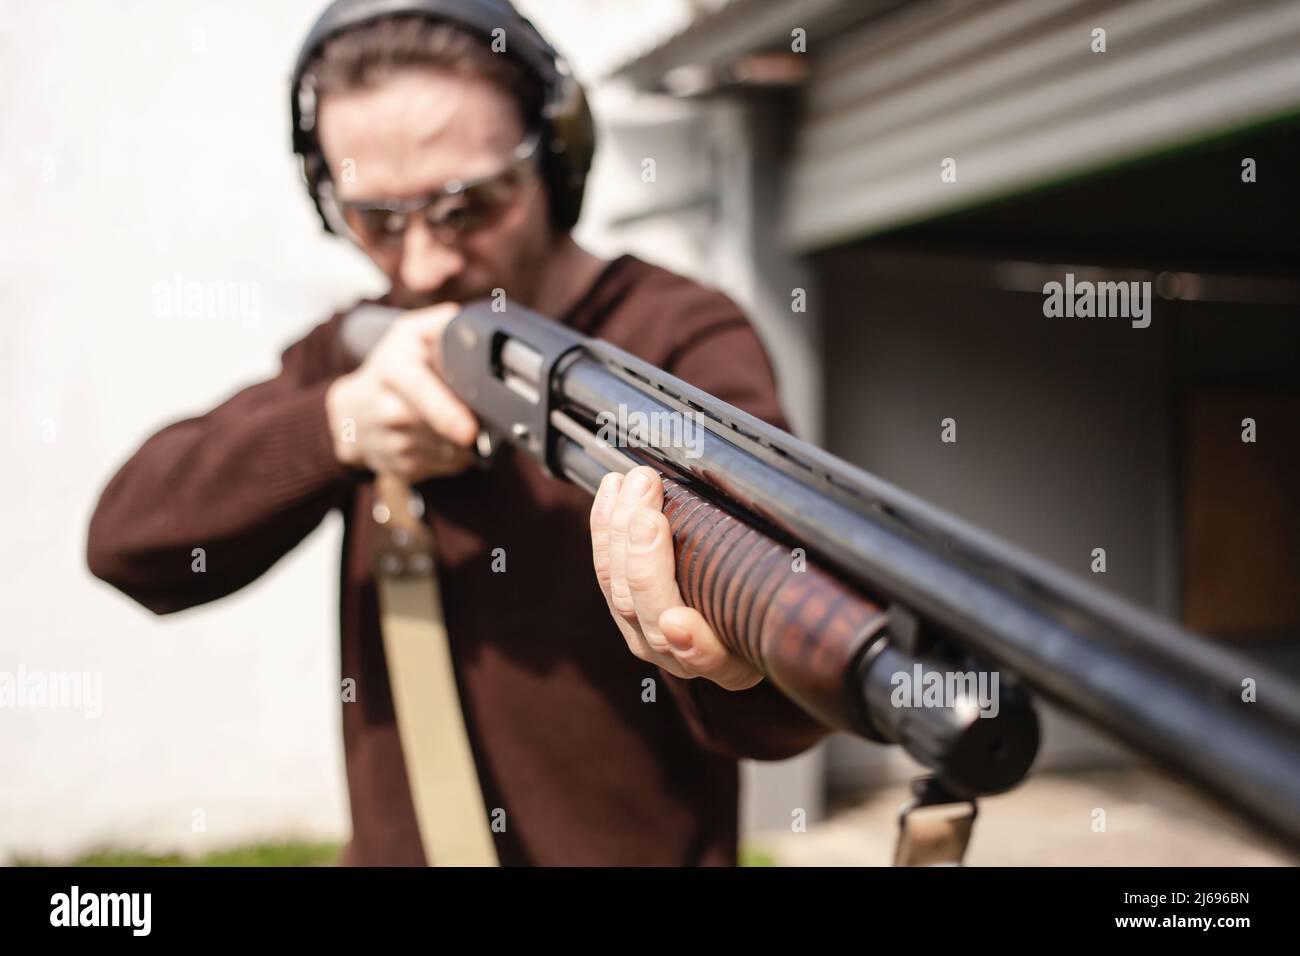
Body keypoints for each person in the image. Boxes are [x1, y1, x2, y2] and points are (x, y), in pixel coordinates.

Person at [87, 0, 828, 866]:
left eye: (468, 206)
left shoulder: (677, 335)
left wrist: (738, 661)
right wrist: (334, 427)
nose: (426, 264)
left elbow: (786, 685)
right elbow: (127, 542)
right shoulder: (355, 350)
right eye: (379, 221)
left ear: (557, 162)